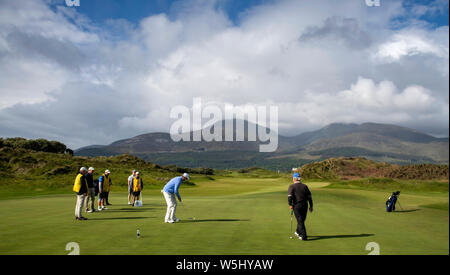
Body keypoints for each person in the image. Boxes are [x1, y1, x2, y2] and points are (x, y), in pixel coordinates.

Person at [288, 174, 313, 240]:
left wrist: (290, 204)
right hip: (305, 205)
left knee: (300, 221)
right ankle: (298, 231)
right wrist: (311, 206)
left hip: (297, 205)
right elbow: (309, 197)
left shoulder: (292, 186)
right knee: (301, 220)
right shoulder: (305, 186)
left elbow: (290, 197)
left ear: (294, 179)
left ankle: (303, 236)